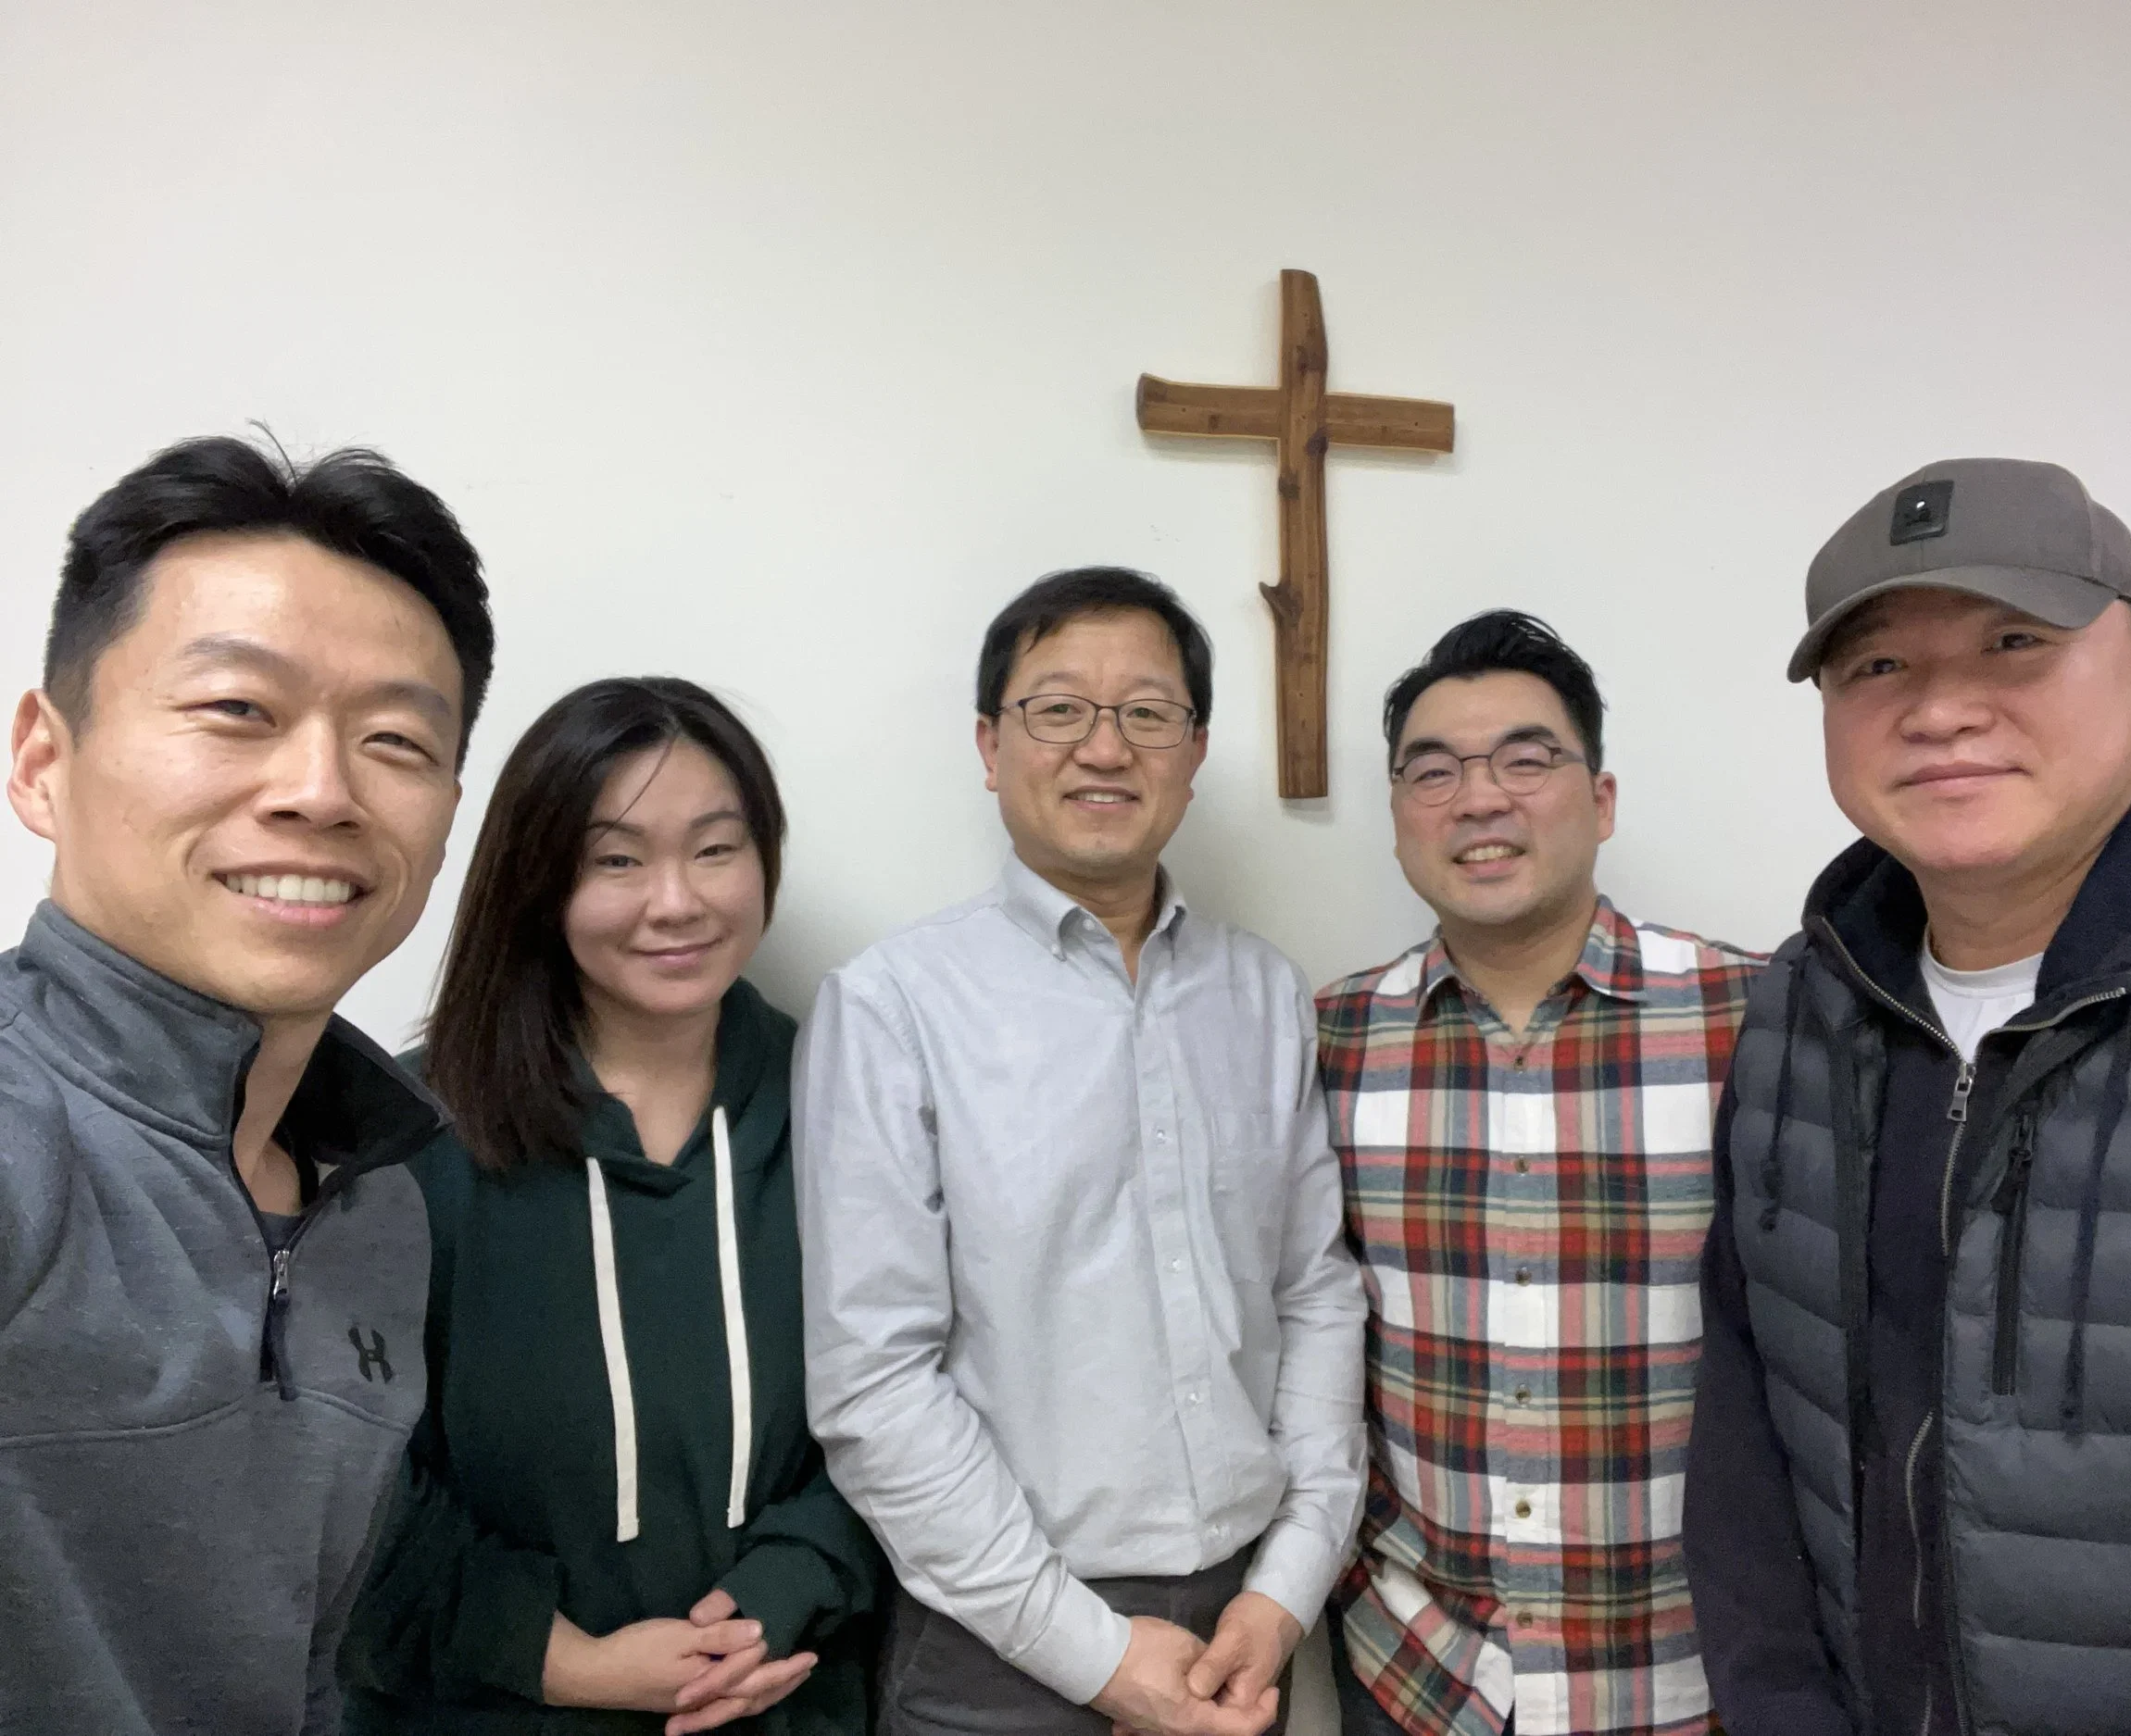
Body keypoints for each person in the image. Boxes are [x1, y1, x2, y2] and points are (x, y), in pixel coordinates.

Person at [1686, 458, 2131, 1735]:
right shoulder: (1808, 999)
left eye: (2013, 642)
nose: (1940, 710)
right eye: (1877, 668)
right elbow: (1750, 1428)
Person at [795, 567, 1366, 1736]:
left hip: (1247, 1630)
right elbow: (873, 1380)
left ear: (1194, 751)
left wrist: (1287, 1587)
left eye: (1147, 713)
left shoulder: (1261, 994)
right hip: (995, 1646)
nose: (1104, 748)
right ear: (988, 744)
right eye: (1057, 709)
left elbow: (1314, 1293)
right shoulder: (895, 1004)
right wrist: (1091, 1653)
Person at [0, 434, 495, 1733]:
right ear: (43, 760)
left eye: (394, 737)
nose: (320, 790)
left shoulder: (377, 1200)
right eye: (237, 710)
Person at [341, 676, 884, 1735]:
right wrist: (561, 1660)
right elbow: (335, 1470)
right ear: (540, 882)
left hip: (784, 1704)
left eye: (717, 849)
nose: (675, 901)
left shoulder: (852, 1101)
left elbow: (928, 1392)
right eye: (617, 859)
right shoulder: (405, 1140)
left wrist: (785, 1591)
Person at [1317, 611, 1764, 1736]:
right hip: (1420, 1674)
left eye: (1525, 759)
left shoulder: (1758, 1018)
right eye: (1434, 771)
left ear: (1600, 800)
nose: (1478, 799)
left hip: (1692, 1675)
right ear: (1396, 817)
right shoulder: (1323, 1043)